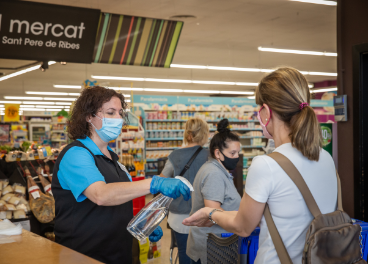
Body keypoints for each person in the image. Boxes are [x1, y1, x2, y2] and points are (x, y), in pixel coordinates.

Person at [183, 67, 338, 264]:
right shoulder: (325, 158)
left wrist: (210, 213)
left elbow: (243, 226)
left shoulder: (266, 165)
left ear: (266, 112)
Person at [52, 86, 191, 264]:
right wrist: (154, 183)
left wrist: (142, 223)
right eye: (110, 112)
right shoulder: (76, 154)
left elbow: (116, 205)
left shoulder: (115, 161)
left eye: (120, 113)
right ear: (88, 116)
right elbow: (101, 195)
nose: (118, 119)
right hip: (83, 255)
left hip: (119, 254)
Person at [186, 119, 242, 264]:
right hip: (211, 249)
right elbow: (213, 215)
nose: (237, 157)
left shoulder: (219, 169)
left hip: (217, 246)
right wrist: (243, 217)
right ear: (218, 153)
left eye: (238, 152)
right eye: (233, 153)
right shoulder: (214, 174)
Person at [160, 117, 210, 264]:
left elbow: (162, 180)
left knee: (184, 252)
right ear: (204, 134)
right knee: (203, 253)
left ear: (187, 133)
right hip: (203, 214)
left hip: (178, 217)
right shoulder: (210, 155)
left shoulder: (174, 155)